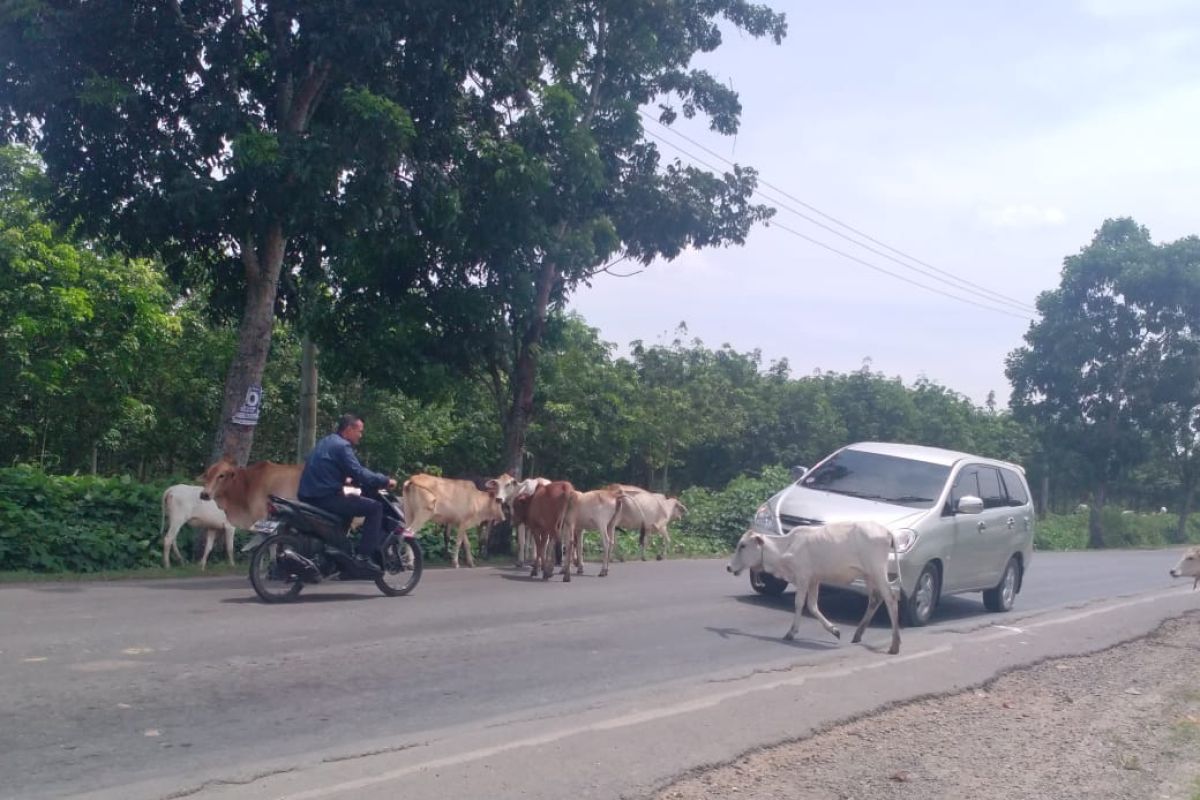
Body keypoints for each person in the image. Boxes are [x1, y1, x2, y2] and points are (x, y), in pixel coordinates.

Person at [298, 413, 397, 571]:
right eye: (359, 431)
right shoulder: (342, 446)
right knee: (375, 508)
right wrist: (385, 480)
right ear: (349, 429)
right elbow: (359, 472)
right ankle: (363, 557)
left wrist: (347, 480)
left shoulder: (326, 441)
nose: (361, 435)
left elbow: (329, 469)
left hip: (309, 495)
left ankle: (337, 555)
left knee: (349, 503)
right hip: (325, 497)